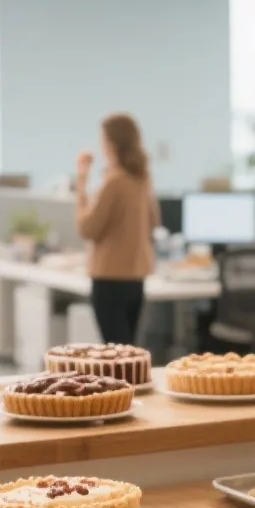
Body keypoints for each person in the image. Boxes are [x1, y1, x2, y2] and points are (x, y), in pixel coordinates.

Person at [75, 112, 162, 346]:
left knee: (115, 353)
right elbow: (154, 221)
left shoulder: (114, 182)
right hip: (136, 277)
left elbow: (87, 228)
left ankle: (122, 385)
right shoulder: (142, 179)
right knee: (128, 349)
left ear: (110, 143)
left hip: (109, 278)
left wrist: (81, 183)